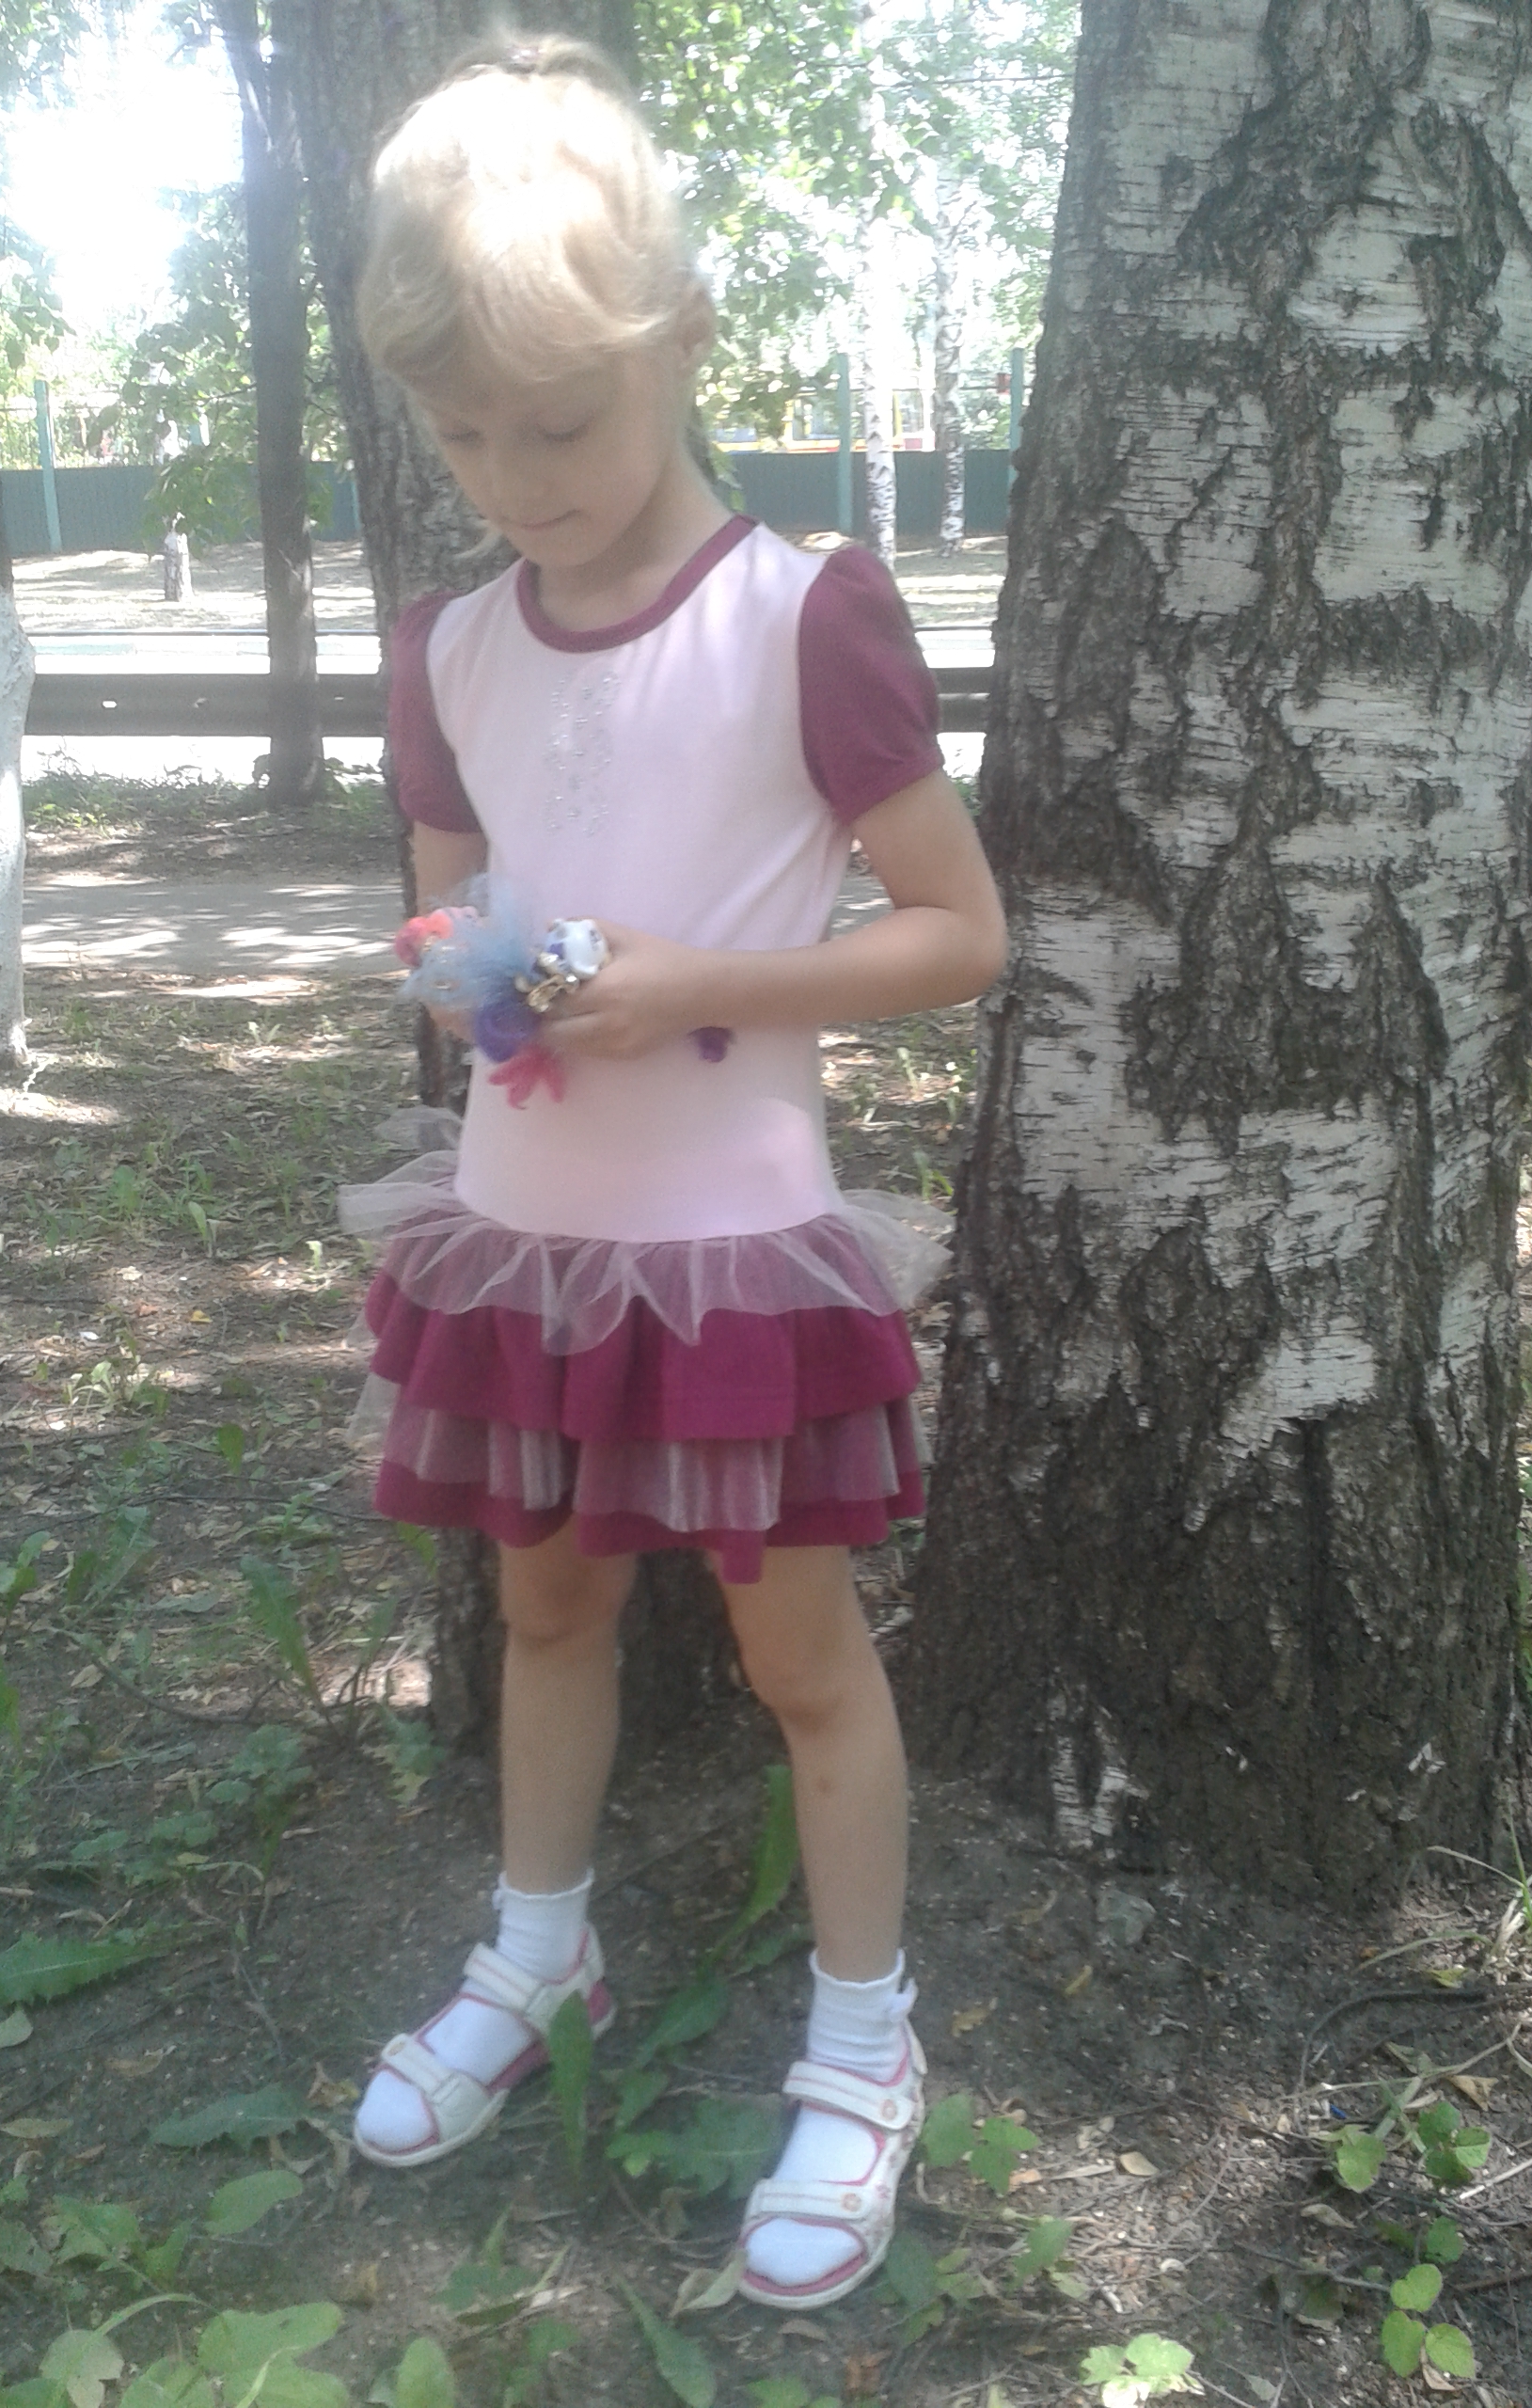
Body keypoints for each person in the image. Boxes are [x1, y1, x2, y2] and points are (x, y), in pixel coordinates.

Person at [339, 33, 1006, 2311]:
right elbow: (450, 899)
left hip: (729, 1254)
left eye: (560, 423)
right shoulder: (448, 645)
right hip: (522, 1241)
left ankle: (865, 2038)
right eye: (463, 437)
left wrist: (695, 978)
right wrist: (472, 973)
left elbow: (962, 928)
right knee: (544, 1603)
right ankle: (540, 1949)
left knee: (802, 1653)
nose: (514, 481)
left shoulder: (800, 612)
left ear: (681, 339)